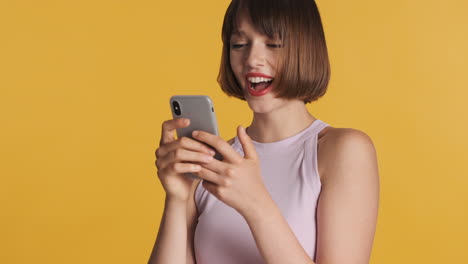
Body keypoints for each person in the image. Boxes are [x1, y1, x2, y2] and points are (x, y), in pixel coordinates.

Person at [148, 0, 380, 263]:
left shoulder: (342, 150)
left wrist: (255, 204)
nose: (251, 59)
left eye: (273, 44)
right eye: (239, 44)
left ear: (305, 49)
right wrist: (177, 198)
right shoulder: (214, 164)